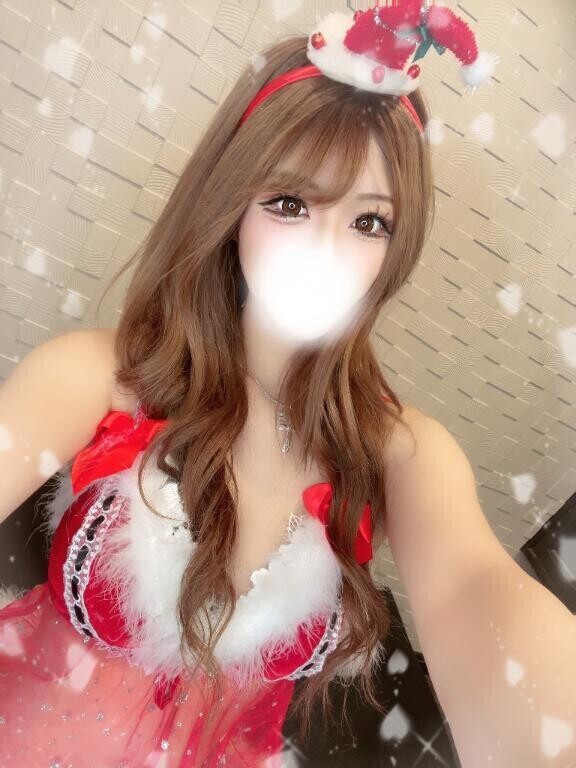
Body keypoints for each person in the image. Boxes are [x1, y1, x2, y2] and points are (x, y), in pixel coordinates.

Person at [0, 3, 509, 766]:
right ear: (231, 206)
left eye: (370, 222)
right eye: (289, 204)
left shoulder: (397, 454)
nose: (326, 252)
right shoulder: (93, 379)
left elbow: (476, 591)